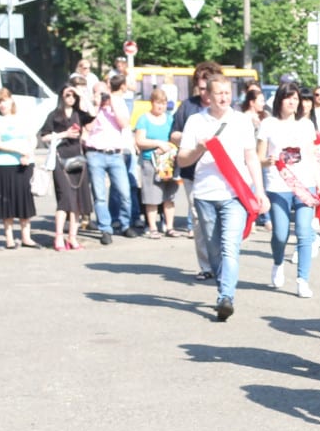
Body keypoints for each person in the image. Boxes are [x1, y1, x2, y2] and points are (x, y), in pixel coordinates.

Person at [176, 74, 265, 321]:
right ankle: (222, 288)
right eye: (218, 93)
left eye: (227, 93)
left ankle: (226, 297)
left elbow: (251, 157)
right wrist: (199, 149)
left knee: (230, 247)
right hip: (205, 194)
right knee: (214, 250)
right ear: (209, 96)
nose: (224, 97)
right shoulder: (196, 121)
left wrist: (260, 191)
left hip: (235, 194)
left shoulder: (242, 121)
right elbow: (182, 159)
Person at [260, 81, 320, 298]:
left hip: (305, 184)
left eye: (296, 98)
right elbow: (259, 157)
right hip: (278, 185)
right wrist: (269, 161)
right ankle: (278, 262)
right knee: (280, 233)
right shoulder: (268, 124)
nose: (293, 102)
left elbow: (312, 156)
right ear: (280, 99)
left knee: (305, 233)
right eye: (289, 98)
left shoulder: (305, 125)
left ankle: (302, 280)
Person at [170, 63, 221, 278]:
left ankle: (222, 262)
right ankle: (206, 266)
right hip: (192, 172)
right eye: (200, 89)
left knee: (221, 218)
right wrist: (192, 138)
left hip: (221, 173)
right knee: (199, 220)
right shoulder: (187, 107)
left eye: (206, 89)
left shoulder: (226, 108)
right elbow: (173, 135)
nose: (203, 94)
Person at [81, 76, 139, 244]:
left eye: (105, 93)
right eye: (99, 93)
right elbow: (88, 127)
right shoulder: (90, 107)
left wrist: (112, 104)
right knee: (99, 195)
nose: (104, 96)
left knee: (125, 192)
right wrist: (98, 106)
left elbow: (124, 124)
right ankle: (105, 229)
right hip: (95, 154)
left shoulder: (117, 103)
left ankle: (125, 224)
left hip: (115, 154)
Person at [37, 83, 94, 252]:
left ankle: (73, 238)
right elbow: (44, 137)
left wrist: (82, 95)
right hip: (61, 158)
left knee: (77, 199)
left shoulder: (79, 113)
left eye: (73, 96)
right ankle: (59, 236)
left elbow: (93, 114)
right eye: (68, 95)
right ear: (61, 96)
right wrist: (64, 134)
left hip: (77, 158)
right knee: (65, 198)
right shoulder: (54, 115)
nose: (71, 98)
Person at [0, 88, 39, 248]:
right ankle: (9, 237)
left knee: (24, 199)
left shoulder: (22, 118)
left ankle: (26, 236)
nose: (2, 104)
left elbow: (33, 138)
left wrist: (28, 153)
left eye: (4, 100)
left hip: (24, 163)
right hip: (4, 164)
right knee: (6, 200)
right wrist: (18, 151)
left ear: (11, 100)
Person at [134, 94, 181, 237]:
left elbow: (174, 138)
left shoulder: (169, 118)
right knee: (152, 197)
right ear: (152, 103)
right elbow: (140, 141)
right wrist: (158, 144)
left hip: (169, 161)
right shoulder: (143, 119)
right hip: (150, 161)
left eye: (163, 103)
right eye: (158, 103)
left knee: (169, 196)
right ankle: (153, 227)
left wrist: (170, 147)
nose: (161, 106)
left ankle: (169, 227)